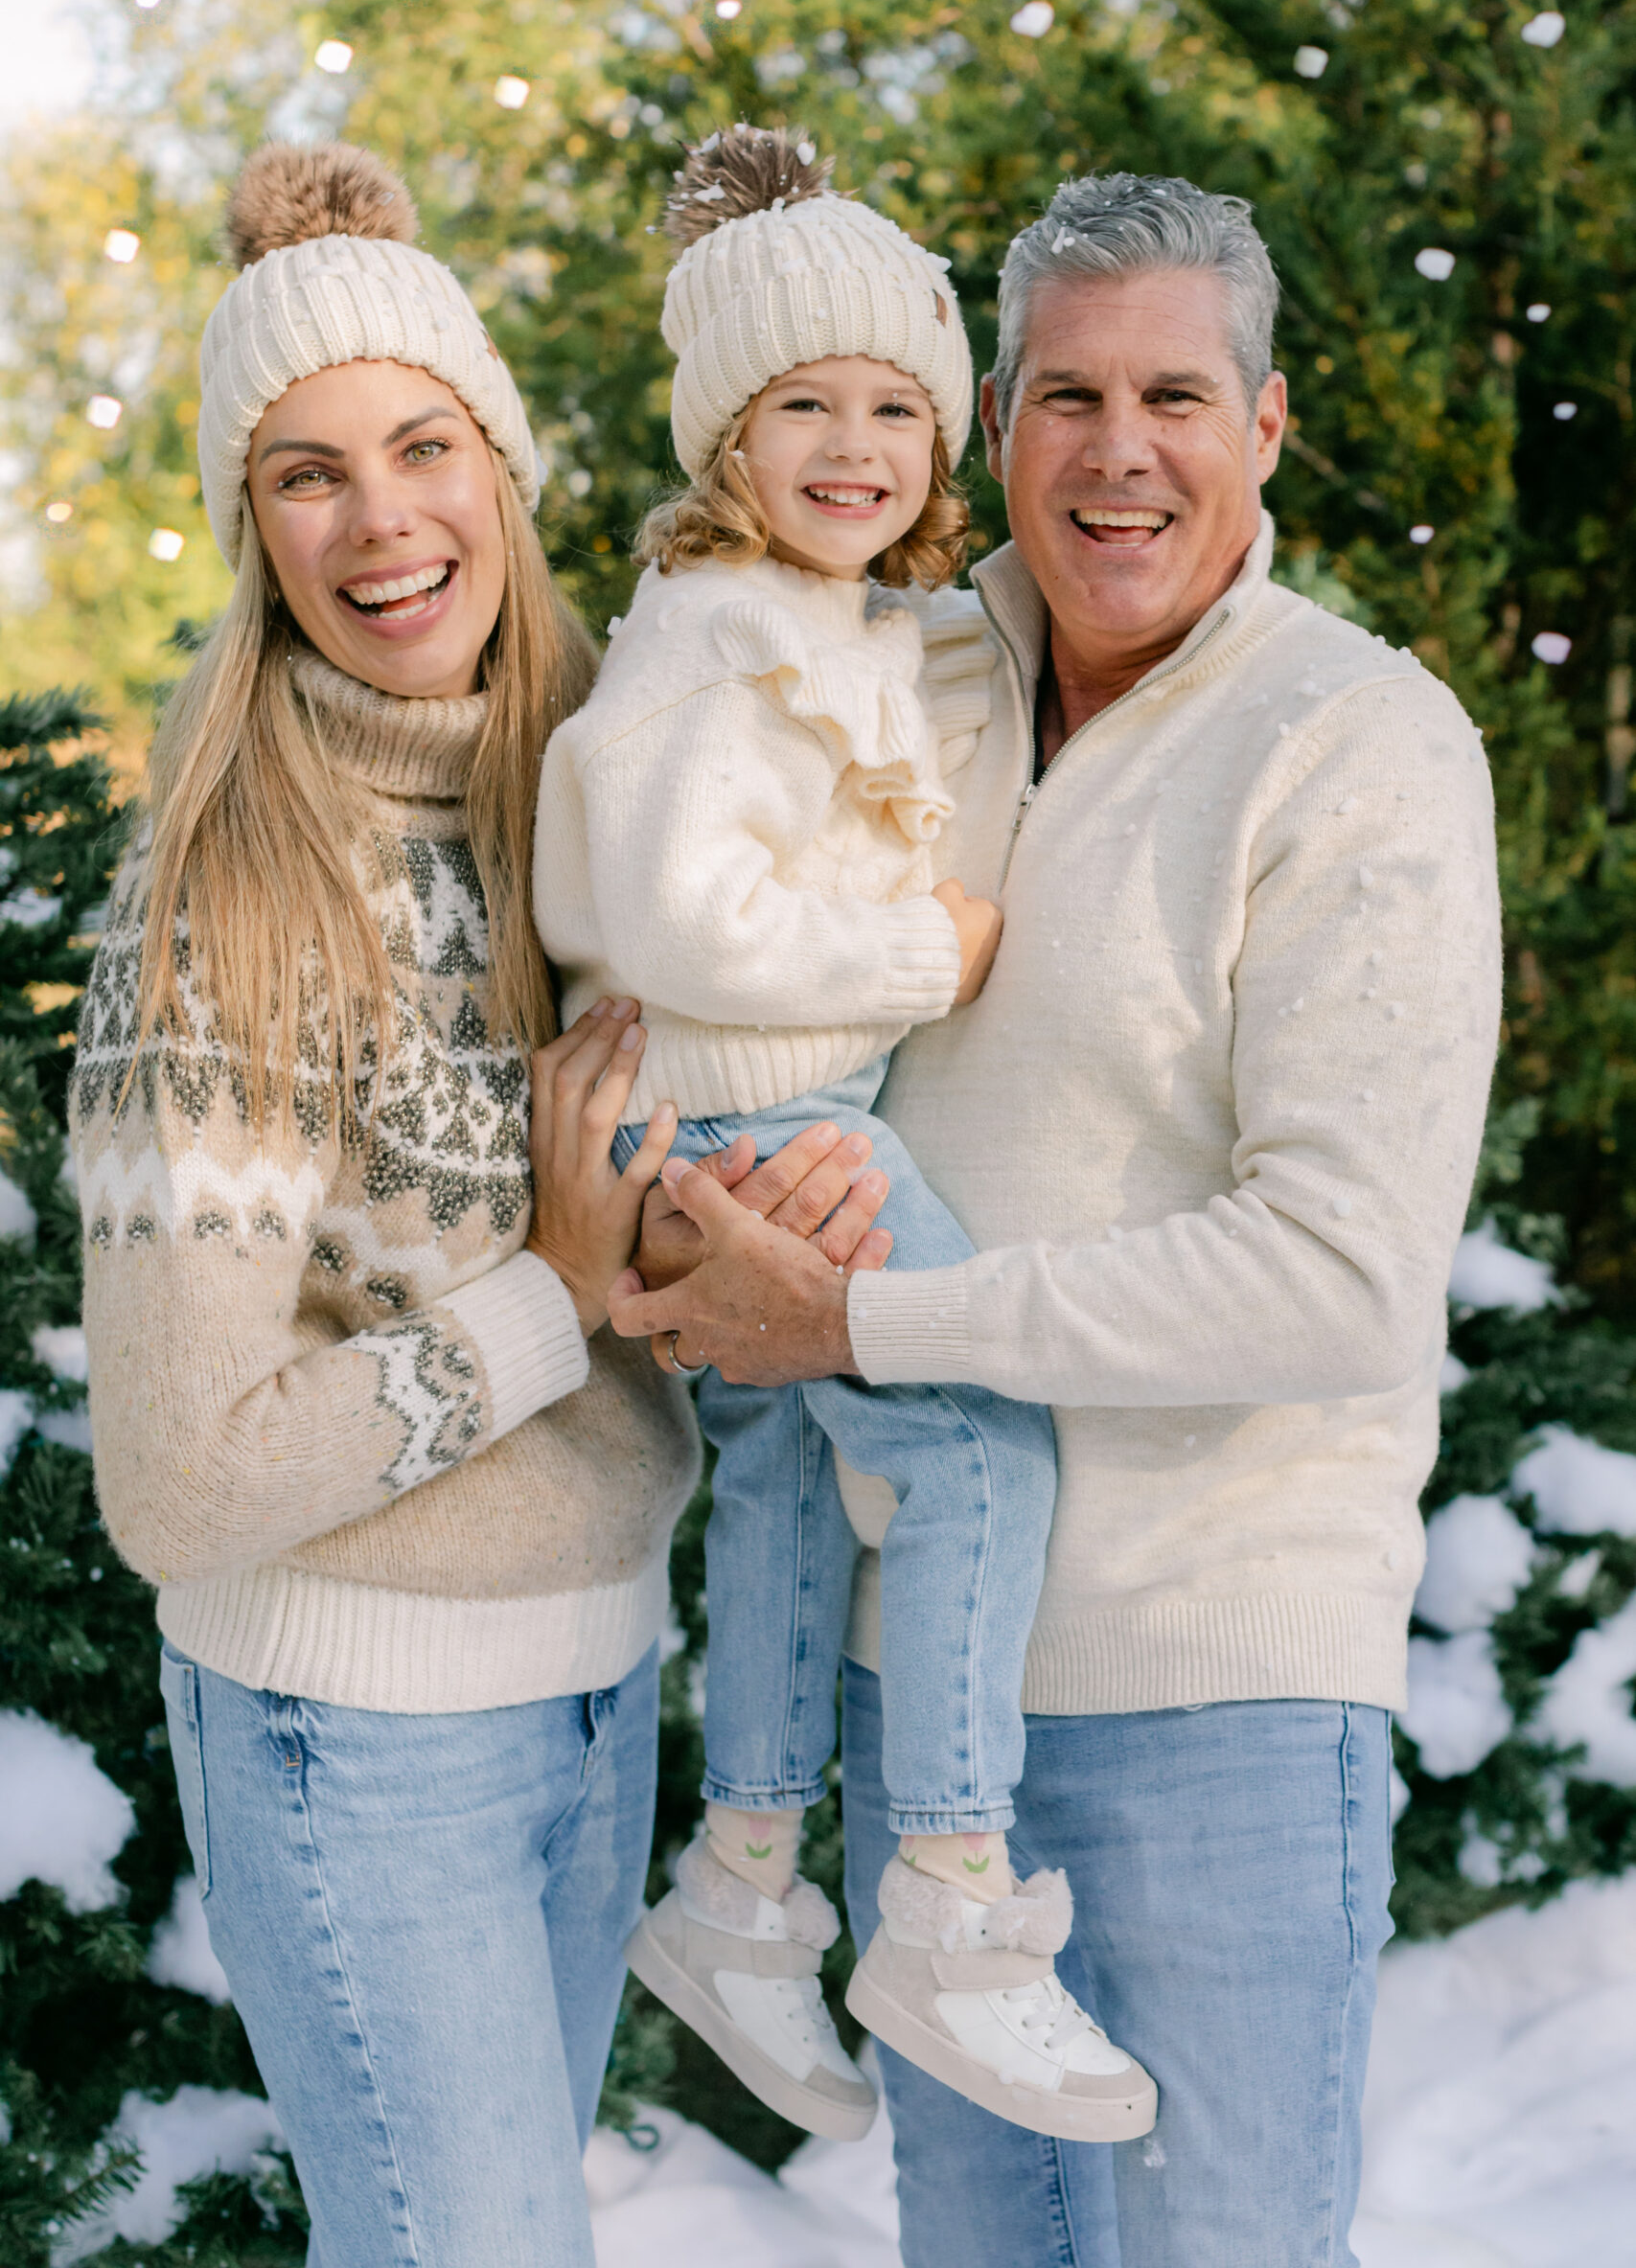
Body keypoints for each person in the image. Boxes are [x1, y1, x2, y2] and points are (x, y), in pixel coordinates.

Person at [611, 170, 1504, 2266]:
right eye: (1067, 396)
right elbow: (672, 950)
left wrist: (865, 1328)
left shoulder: (1354, 744)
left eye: (1175, 396)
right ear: (988, 423)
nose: (1118, 454)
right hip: (924, 1701)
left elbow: (1339, 1275)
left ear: (1264, 429)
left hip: (1216, 1690)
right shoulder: (883, 673)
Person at [68, 137, 883, 2268]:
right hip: (359, 1732)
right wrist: (553, 1291)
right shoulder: (218, 901)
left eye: (424, 444)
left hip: (598, 1675)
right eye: (304, 472)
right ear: (254, 532)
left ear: (502, 469)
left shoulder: (595, 790)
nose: (380, 518)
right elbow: (174, 1475)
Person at [536, 126, 1154, 2149]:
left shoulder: (827, 618)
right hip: (755, 1109)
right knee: (978, 1437)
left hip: (744, 1113)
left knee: (794, 1485)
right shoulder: (708, 634)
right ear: (725, 435)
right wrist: (931, 939)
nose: (855, 441)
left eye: (895, 403)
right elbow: (655, 898)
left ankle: (734, 1890)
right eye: (802, 402)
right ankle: (953, 1904)